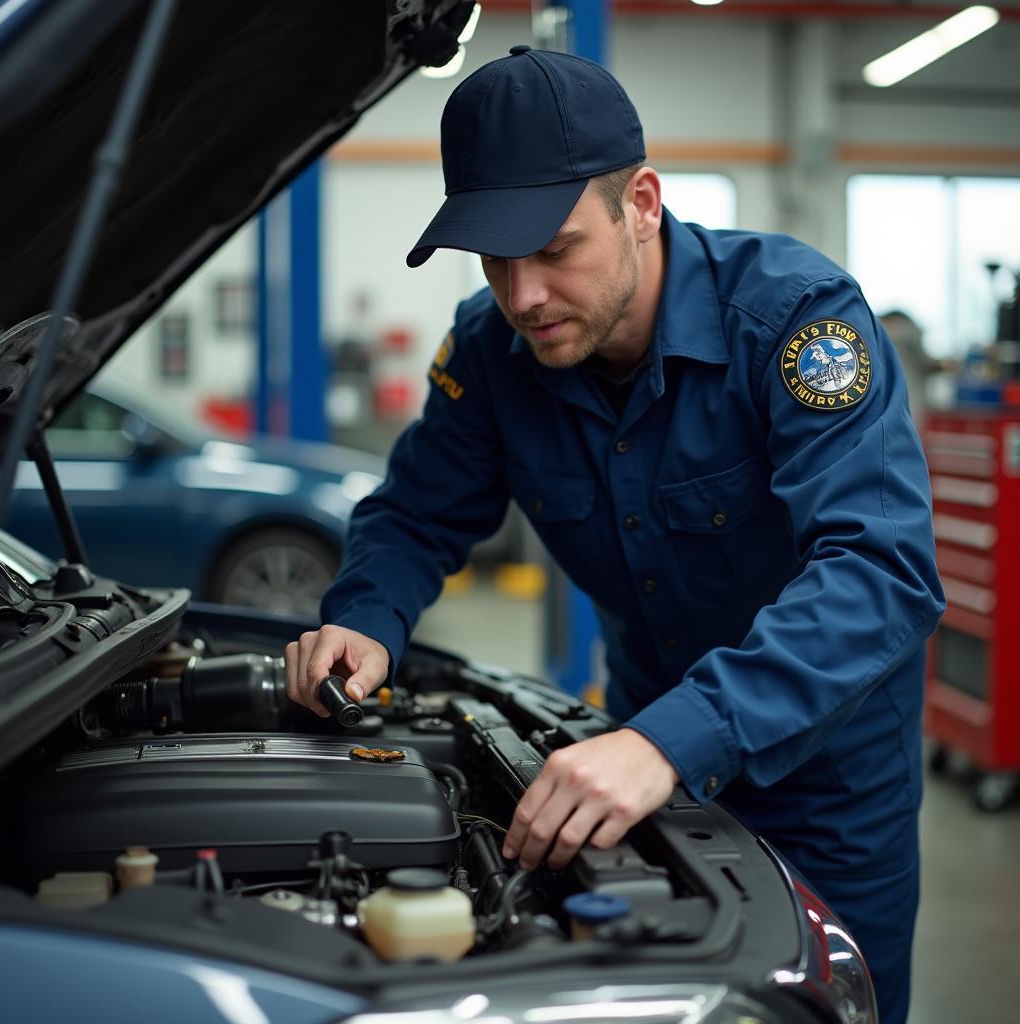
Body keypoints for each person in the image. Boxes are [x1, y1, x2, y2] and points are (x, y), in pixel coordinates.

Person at [286, 46, 944, 1024]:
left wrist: (674, 738)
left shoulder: (797, 323)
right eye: (494, 260)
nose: (525, 296)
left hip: (826, 787)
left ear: (640, 202)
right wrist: (366, 617)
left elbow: (881, 569)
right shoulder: (491, 351)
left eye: (553, 249)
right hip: (638, 763)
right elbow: (415, 514)